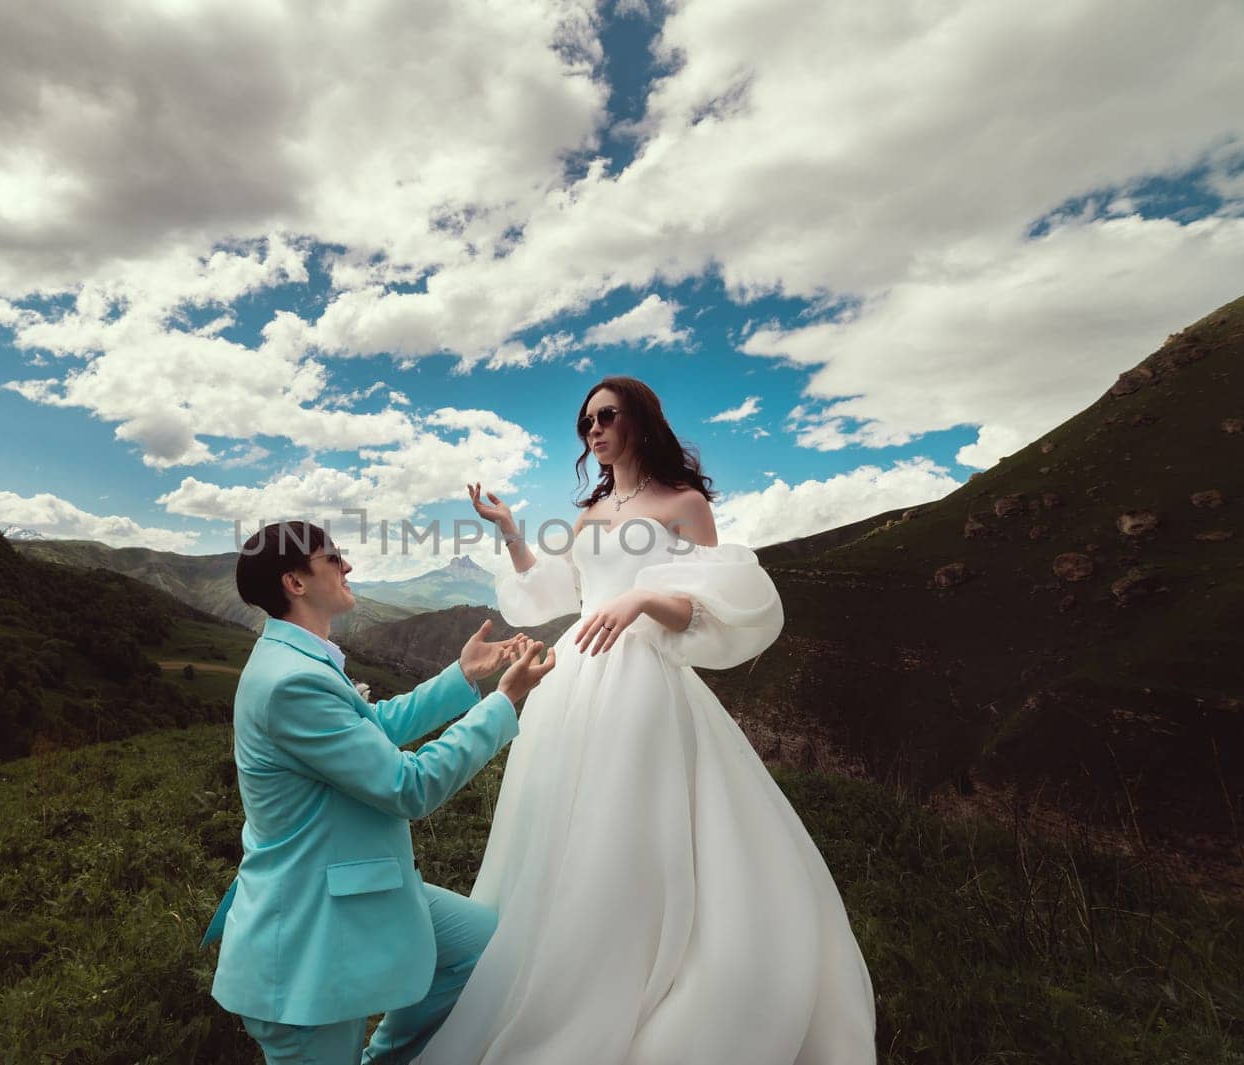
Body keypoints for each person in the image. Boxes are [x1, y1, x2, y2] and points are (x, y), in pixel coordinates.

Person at [415, 376, 878, 1064]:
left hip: (644, 683)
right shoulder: (594, 510)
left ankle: (644, 973)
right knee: (560, 835)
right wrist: (512, 529)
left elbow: (709, 605)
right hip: (574, 678)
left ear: (639, 420)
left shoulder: (684, 503)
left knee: (632, 832)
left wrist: (640, 600)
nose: (593, 431)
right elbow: (547, 592)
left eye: (605, 416)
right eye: (584, 424)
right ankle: (559, 968)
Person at [200, 520, 556, 1065]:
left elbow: (374, 727)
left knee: (479, 946)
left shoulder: (300, 660)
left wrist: (462, 675)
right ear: (295, 582)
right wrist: (501, 704)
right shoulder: (291, 681)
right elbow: (407, 787)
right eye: (333, 558)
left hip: (343, 886)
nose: (348, 566)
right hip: (304, 945)